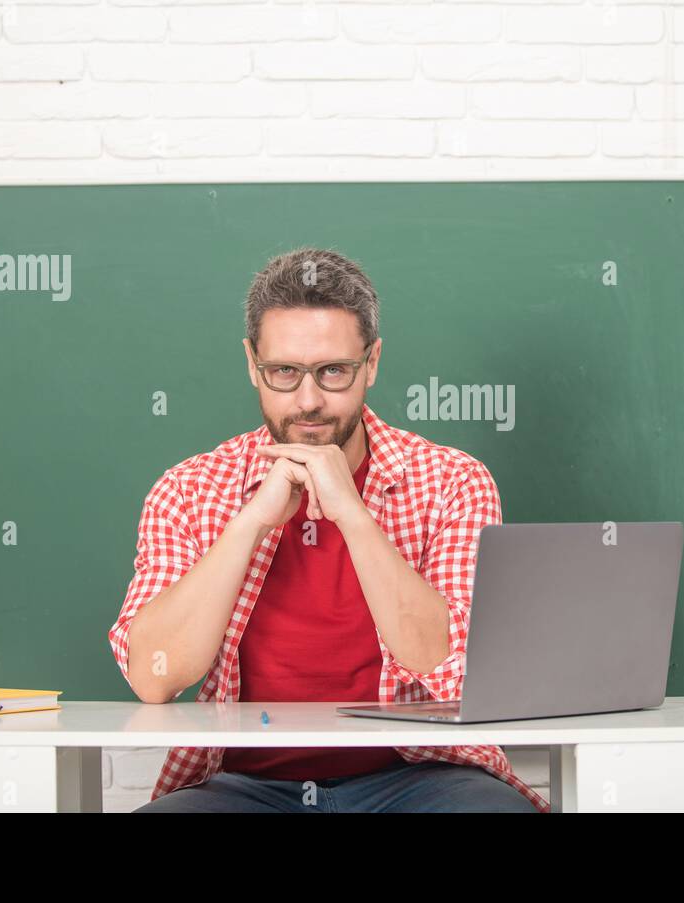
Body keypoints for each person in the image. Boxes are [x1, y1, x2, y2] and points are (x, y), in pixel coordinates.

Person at [110, 247, 546, 813]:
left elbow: (447, 663)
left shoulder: (454, 482)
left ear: (372, 363)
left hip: (421, 777)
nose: (309, 400)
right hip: (243, 787)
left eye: (334, 371)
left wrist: (353, 515)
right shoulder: (189, 489)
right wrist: (250, 523)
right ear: (252, 364)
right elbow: (154, 677)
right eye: (284, 372)